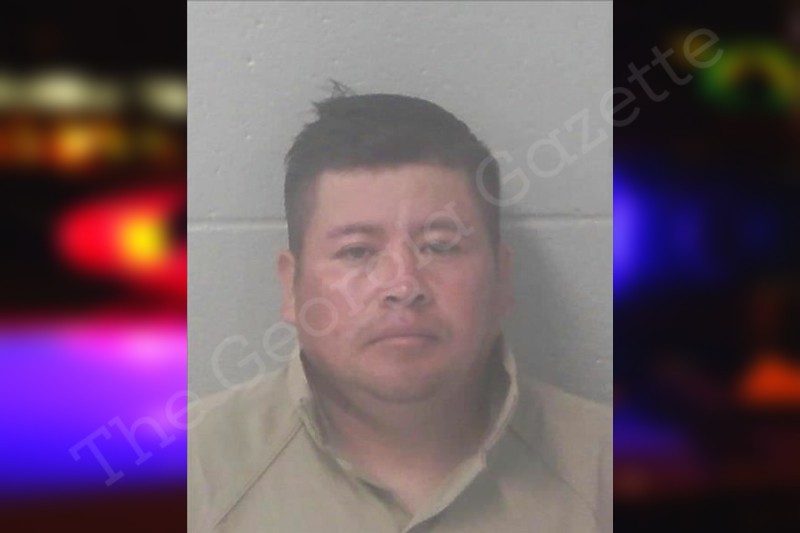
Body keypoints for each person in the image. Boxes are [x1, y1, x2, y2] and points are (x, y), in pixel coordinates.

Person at [188, 87, 612, 533]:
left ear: (501, 279)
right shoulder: (189, 476)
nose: (404, 286)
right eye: (357, 252)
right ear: (291, 288)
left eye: (440, 246)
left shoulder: (607, 468)